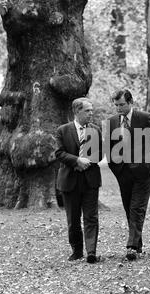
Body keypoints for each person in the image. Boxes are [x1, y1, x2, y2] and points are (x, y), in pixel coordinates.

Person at [106, 89, 150, 261]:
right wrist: (114, 167)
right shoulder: (112, 121)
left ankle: (131, 246)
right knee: (128, 207)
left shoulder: (144, 117)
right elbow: (108, 146)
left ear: (131, 103)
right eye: (116, 105)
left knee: (137, 208)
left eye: (122, 104)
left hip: (143, 171)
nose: (119, 108)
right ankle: (137, 245)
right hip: (122, 172)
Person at [55, 97, 103, 263]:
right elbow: (59, 153)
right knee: (73, 219)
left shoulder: (96, 130)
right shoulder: (63, 130)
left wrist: (88, 160)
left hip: (91, 180)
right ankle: (77, 250)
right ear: (77, 111)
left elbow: (100, 153)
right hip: (70, 181)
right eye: (87, 110)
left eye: (91, 110)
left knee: (91, 217)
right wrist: (76, 161)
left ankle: (91, 251)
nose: (91, 113)